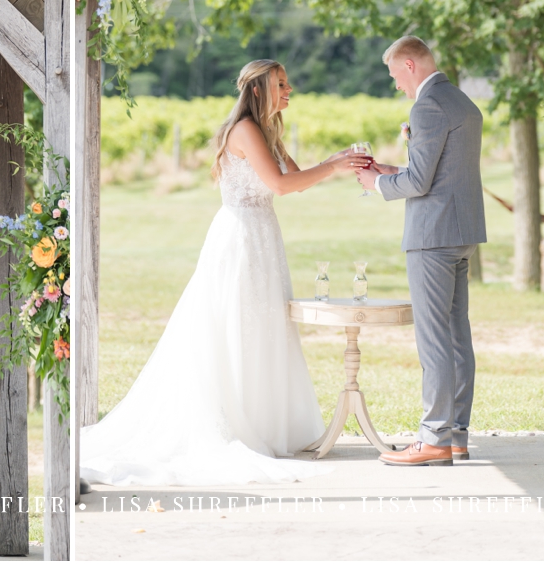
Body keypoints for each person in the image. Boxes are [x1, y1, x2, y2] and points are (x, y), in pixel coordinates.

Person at [79, 60, 367, 486]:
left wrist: (335, 160)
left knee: (263, 327)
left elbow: (296, 178)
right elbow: (283, 186)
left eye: (288, 83)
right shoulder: (247, 131)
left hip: (263, 237)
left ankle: (264, 421)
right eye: (281, 85)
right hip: (241, 241)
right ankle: (235, 423)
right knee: (237, 327)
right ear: (257, 90)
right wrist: (336, 168)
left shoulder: (268, 129)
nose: (290, 90)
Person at [356, 36, 487, 466]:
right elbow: (437, 171)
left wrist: (375, 184)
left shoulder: (427, 106)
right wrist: (390, 170)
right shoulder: (462, 102)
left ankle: (433, 438)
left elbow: (420, 184)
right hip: (462, 233)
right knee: (456, 338)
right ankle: (456, 436)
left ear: (409, 65)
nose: (396, 85)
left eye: (395, 75)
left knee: (434, 342)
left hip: (432, 238)